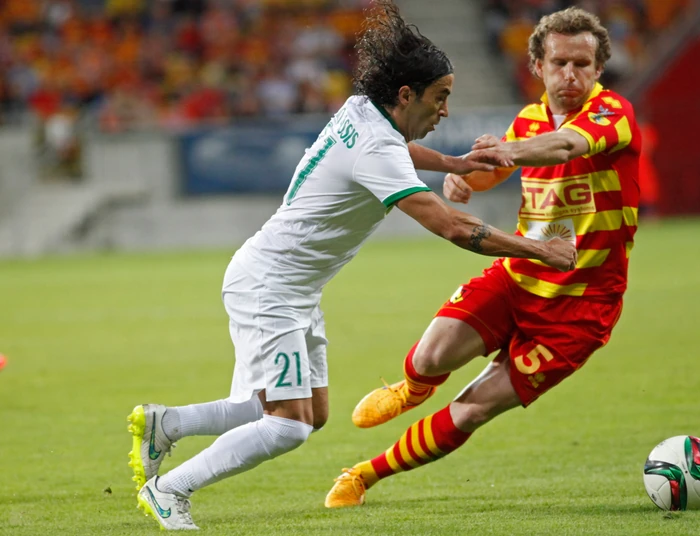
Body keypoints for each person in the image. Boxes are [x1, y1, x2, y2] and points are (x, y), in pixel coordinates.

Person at [127, 1, 576, 530]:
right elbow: (451, 226)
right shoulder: (375, 145)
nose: (445, 111)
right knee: (287, 425)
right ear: (406, 94)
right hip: (270, 287)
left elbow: (398, 148)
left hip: (290, 287)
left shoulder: (363, 109)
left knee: (305, 412)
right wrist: (539, 249)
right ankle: (169, 489)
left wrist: (455, 162)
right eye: (440, 97)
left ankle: (166, 425)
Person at [325, 6, 641, 508]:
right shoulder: (529, 119)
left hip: (579, 308)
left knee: (472, 409)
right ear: (537, 66)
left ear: (599, 68)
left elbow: (563, 147)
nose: (570, 75)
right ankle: (411, 390)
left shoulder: (611, 114)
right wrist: (465, 178)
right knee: (429, 358)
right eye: (559, 63)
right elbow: (498, 169)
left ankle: (363, 475)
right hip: (518, 277)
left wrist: (507, 153)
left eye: (582, 64)